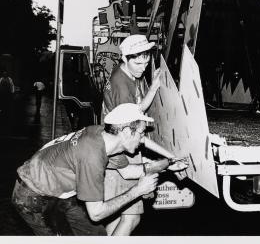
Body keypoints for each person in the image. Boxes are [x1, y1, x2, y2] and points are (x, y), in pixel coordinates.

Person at [12, 103, 186, 236]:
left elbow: (128, 171)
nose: (142, 140)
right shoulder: (92, 156)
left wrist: (168, 164)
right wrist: (137, 191)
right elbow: (96, 213)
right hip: (31, 195)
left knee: (97, 235)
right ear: (126, 132)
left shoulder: (104, 137)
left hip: (57, 190)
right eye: (141, 134)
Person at [102, 34, 161, 235]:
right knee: (131, 216)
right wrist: (153, 90)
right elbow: (134, 128)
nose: (142, 67)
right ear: (125, 58)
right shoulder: (122, 85)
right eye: (137, 62)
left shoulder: (125, 73)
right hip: (123, 152)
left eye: (146, 62)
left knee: (119, 216)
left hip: (116, 151)